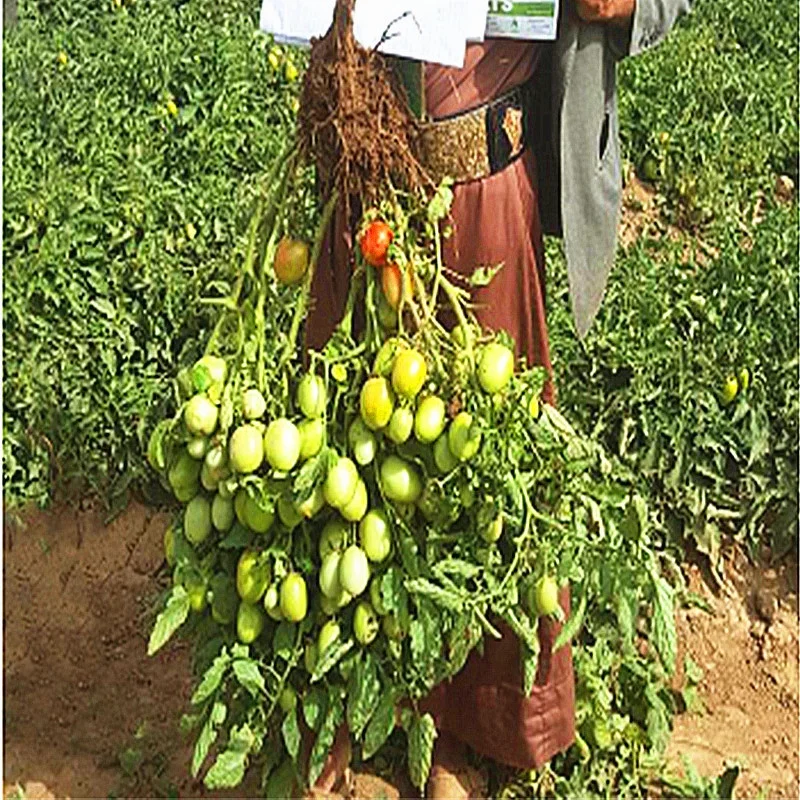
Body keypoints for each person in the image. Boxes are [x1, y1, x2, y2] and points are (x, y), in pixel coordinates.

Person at [305, 0, 691, 796]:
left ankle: (464, 723)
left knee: (476, 463)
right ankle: (338, 698)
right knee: (341, 438)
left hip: (480, 176)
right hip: (361, 162)